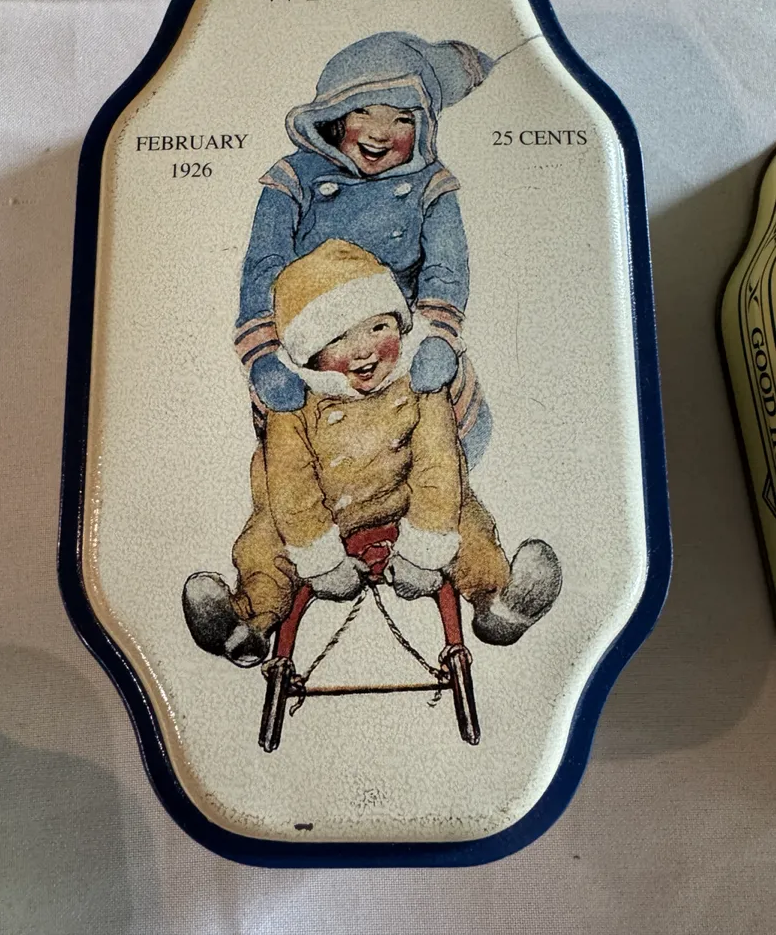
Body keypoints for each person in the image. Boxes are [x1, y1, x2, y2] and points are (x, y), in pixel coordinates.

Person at [184, 240, 561, 667]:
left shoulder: (419, 382)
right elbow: (291, 488)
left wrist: (423, 551)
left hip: (404, 499)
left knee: (465, 520)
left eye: (378, 327)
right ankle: (247, 622)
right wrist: (323, 562)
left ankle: (499, 601)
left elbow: (438, 465)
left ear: (399, 324)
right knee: (266, 542)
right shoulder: (294, 405)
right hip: (317, 513)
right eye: (338, 337)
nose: (363, 349)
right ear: (309, 352)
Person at [234, 31, 499, 467]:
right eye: (364, 111)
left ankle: (439, 499)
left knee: (431, 434)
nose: (380, 133)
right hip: (315, 339)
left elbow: (446, 268)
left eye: (402, 119)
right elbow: (264, 265)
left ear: (424, 127)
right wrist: (263, 355)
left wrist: (437, 336)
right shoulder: (293, 179)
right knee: (305, 445)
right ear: (334, 114)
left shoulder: (432, 185)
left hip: (398, 336)